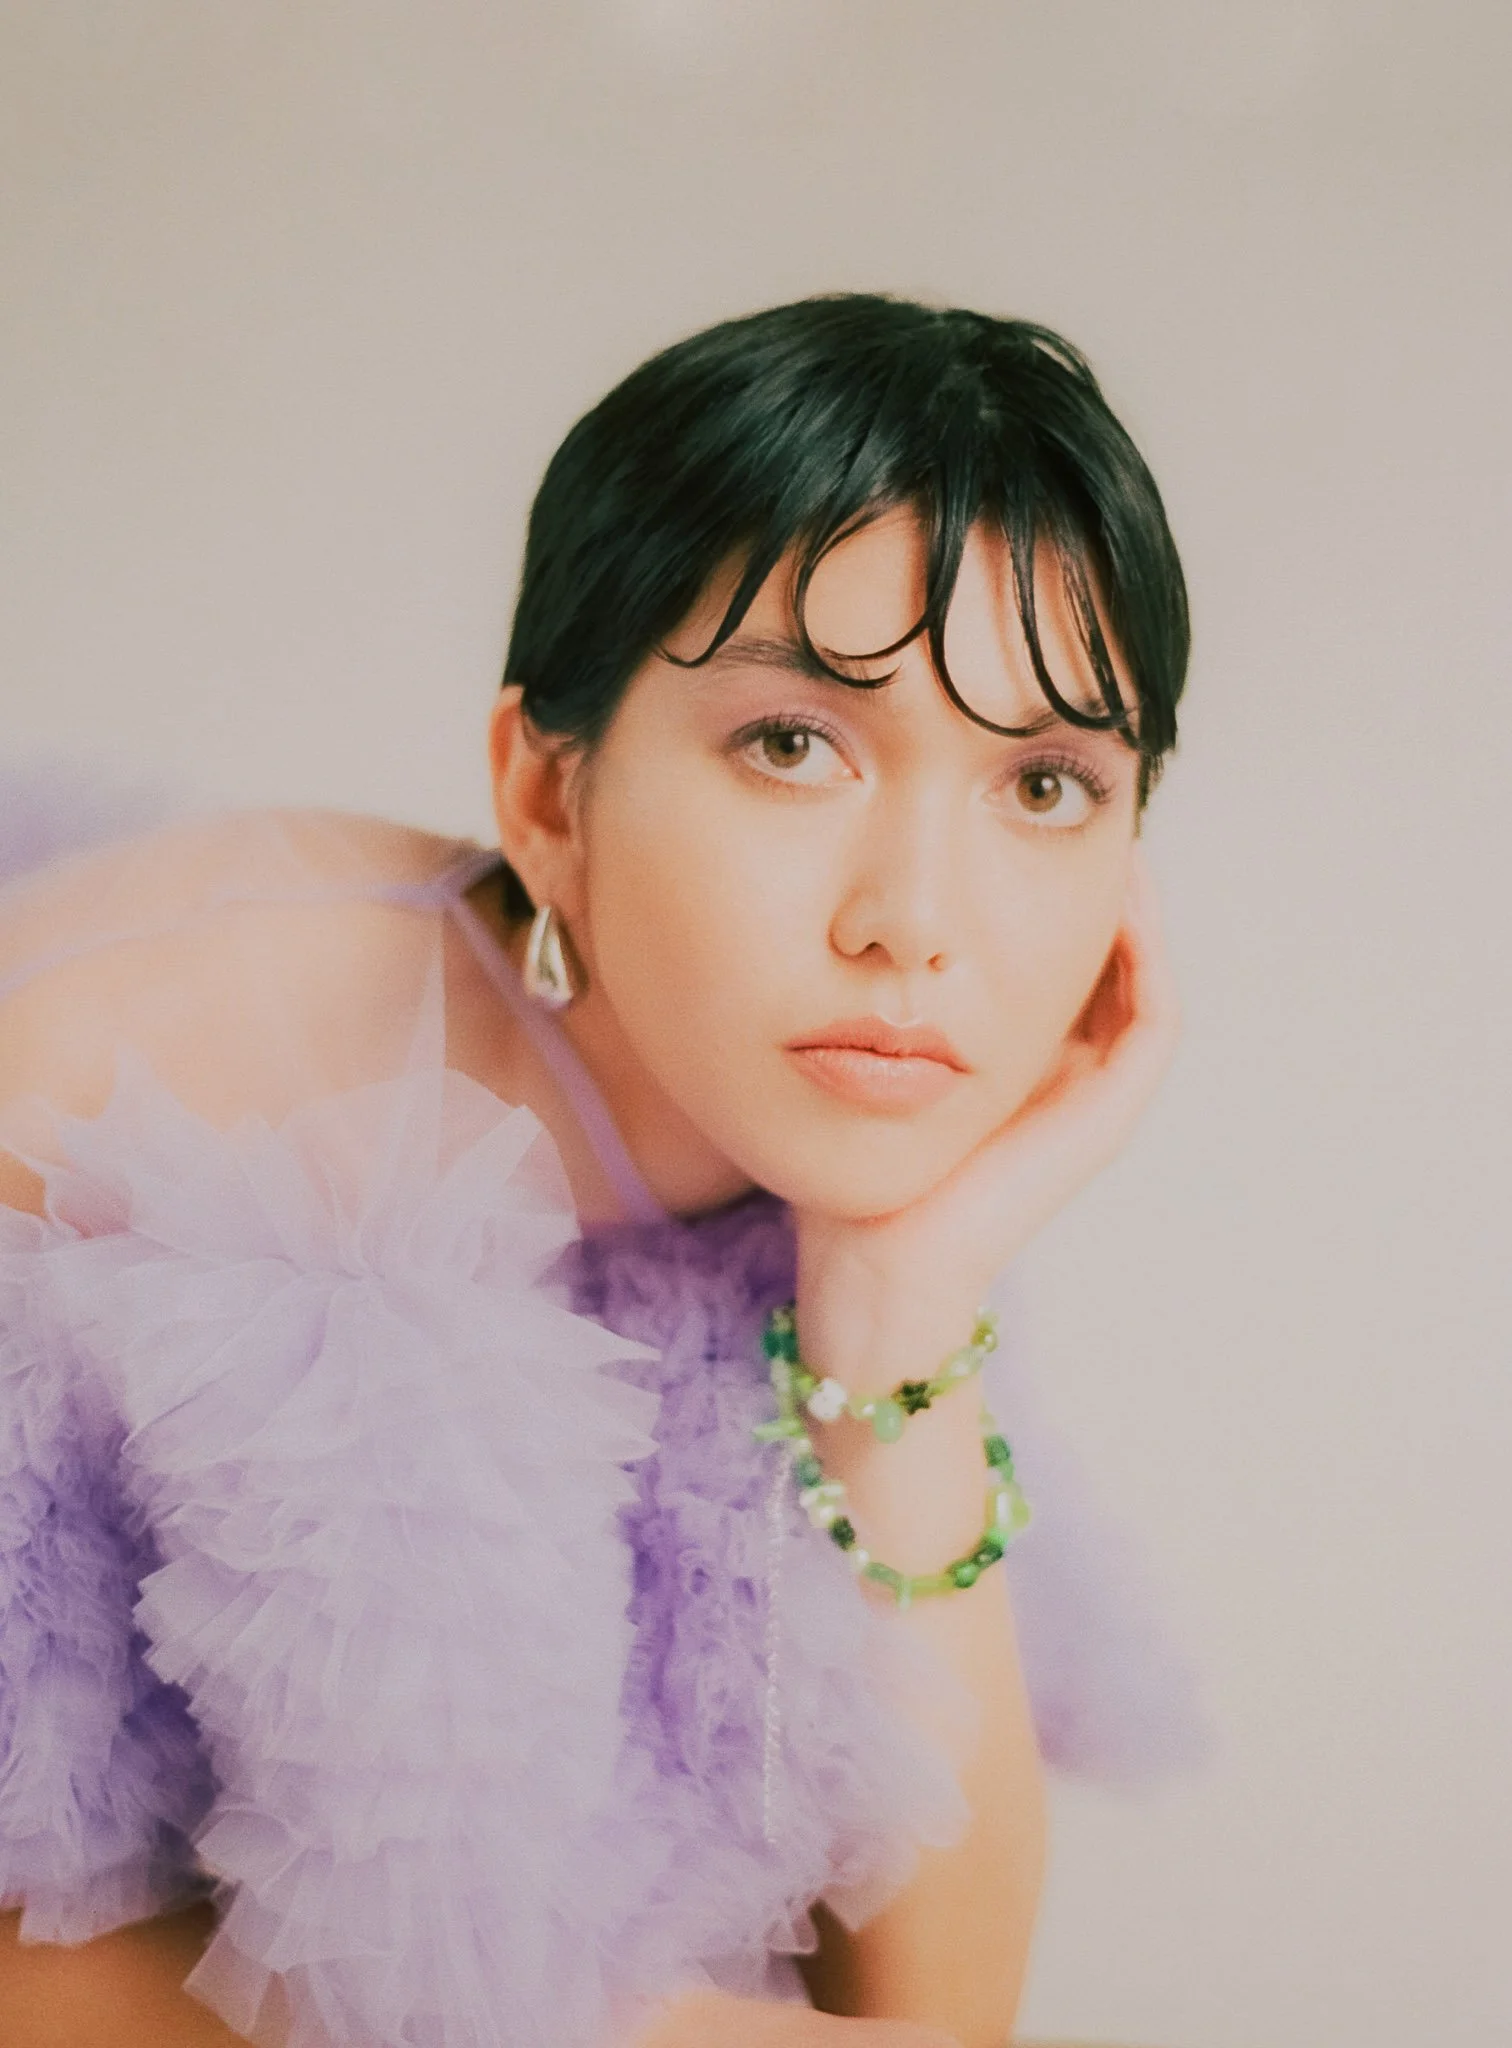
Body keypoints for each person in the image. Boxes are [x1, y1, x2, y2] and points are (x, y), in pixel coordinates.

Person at [0, 293, 1200, 2048]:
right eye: (794, 744)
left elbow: (949, 2017)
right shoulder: (182, 1064)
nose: (917, 926)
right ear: (547, 798)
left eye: (1043, 786)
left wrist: (898, 1310)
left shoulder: (822, 1150)